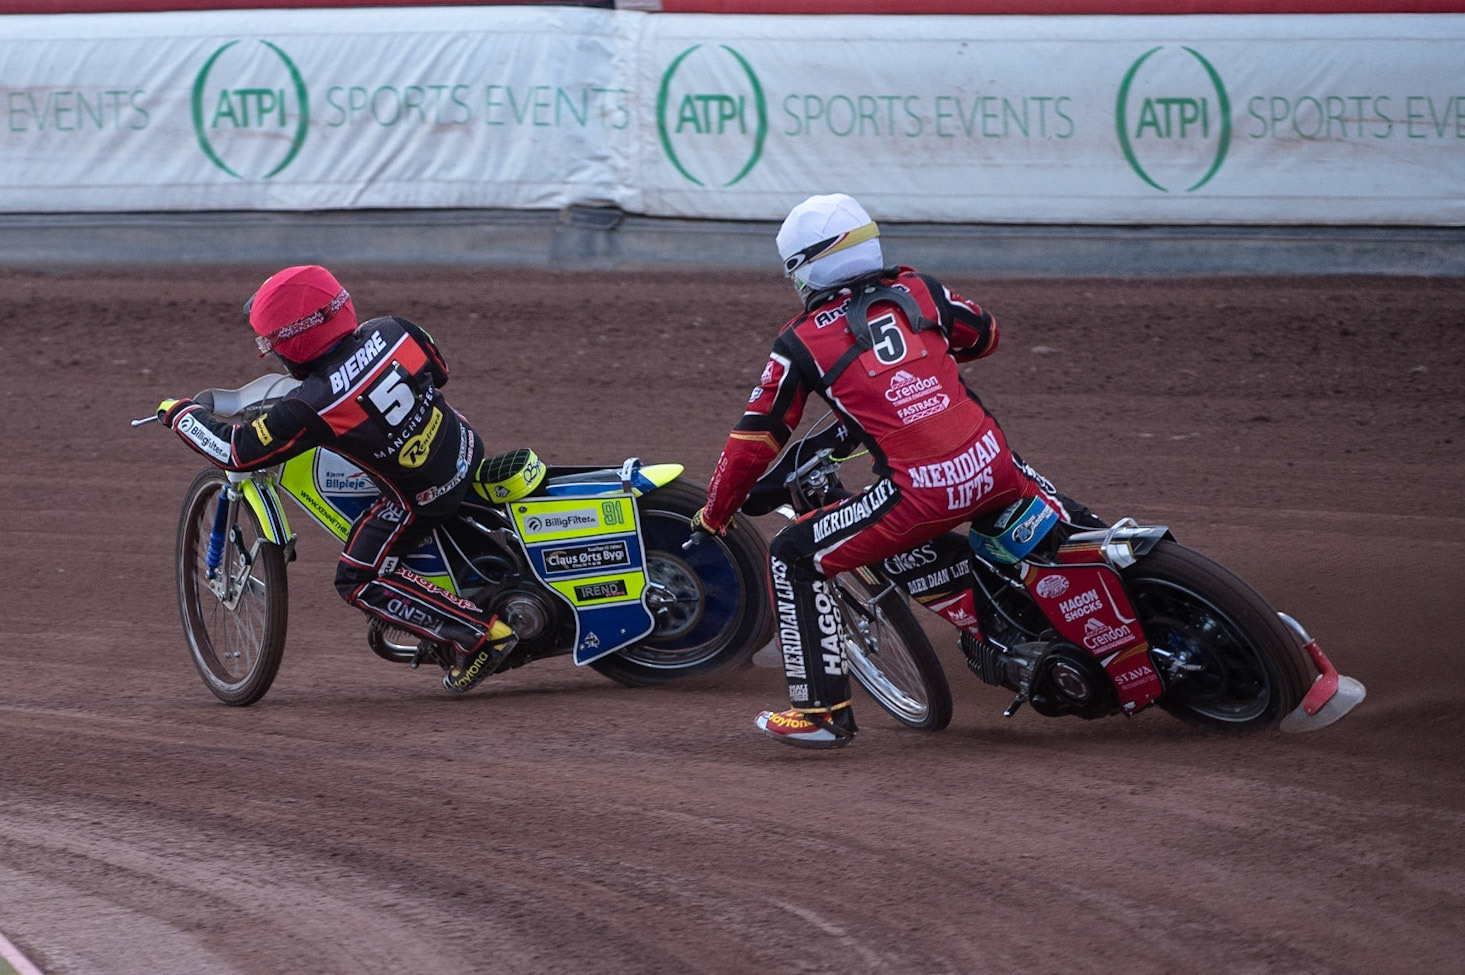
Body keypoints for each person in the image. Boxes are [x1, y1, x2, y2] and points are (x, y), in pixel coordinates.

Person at [689, 193, 1098, 749]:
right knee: (1063, 518)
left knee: (791, 556)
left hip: (922, 494)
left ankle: (821, 712)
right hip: (995, 462)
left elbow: (753, 441)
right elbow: (986, 335)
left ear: (806, 267)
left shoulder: (800, 340)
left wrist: (716, 514)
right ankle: (1130, 574)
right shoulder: (919, 289)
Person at [156, 264, 515, 694]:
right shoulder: (395, 328)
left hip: (422, 497)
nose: (273, 354)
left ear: (293, 345)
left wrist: (180, 416)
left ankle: (478, 634)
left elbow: (237, 452)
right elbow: (438, 373)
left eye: (273, 345)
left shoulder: (312, 405)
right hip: (464, 446)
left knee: (354, 578)